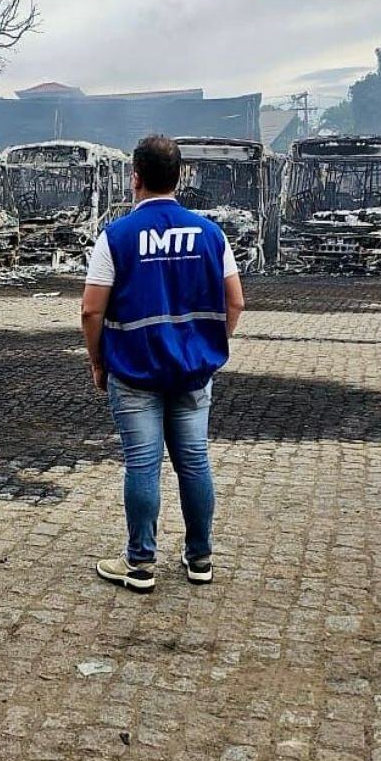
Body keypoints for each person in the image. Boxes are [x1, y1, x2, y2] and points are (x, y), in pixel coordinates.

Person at [81, 135, 245, 592]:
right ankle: (200, 559)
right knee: (194, 462)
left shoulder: (115, 237)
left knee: (142, 464)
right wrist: (207, 346)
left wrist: (99, 362)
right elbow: (236, 302)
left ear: (134, 178)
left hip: (134, 371)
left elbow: (91, 310)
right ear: (180, 177)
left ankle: (140, 564)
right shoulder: (210, 234)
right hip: (193, 372)